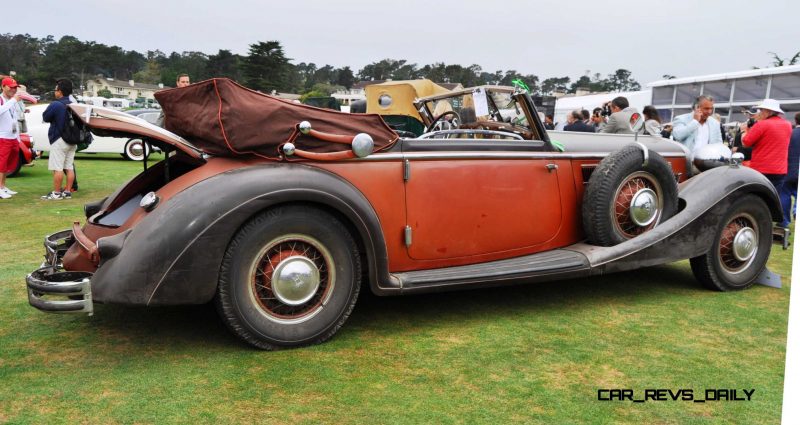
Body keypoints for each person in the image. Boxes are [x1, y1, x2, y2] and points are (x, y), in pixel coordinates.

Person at [741, 99, 793, 227]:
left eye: (761, 110)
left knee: (756, 197)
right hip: (780, 169)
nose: (759, 112)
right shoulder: (787, 125)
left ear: (768, 111)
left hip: (761, 169)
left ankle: (755, 222)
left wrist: (744, 131)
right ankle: (776, 222)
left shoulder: (762, 125)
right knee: (776, 197)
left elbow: (746, 142)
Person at [41, 79, 77, 200]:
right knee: (69, 166)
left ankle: (56, 193)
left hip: (59, 139)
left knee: (58, 168)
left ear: (60, 92)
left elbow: (45, 117)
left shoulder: (56, 104)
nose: (55, 92)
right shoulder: (74, 104)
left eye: (56, 90)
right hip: (73, 139)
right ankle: (67, 191)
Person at [671, 95, 723, 160]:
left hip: (707, 163)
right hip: (687, 162)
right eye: (706, 108)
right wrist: (695, 122)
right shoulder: (681, 119)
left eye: (711, 108)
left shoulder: (715, 123)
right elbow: (677, 135)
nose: (709, 112)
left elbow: (719, 144)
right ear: (696, 107)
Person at [0, 77, 22, 199]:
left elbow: (14, 119)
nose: (13, 89)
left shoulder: (11, 101)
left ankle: (3, 186)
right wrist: (13, 101)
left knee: (8, 164)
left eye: (15, 87)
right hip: (2, 137)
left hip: (12, 136)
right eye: (11, 87)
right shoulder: (2, 99)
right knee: (1, 164)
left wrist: (17, 137)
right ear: (3, 86)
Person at [779, 112, 800, 227]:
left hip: (788, 168)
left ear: (795, 121)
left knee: (784, 195)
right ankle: (796, 214)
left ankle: (784, 220)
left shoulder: (790, 133)